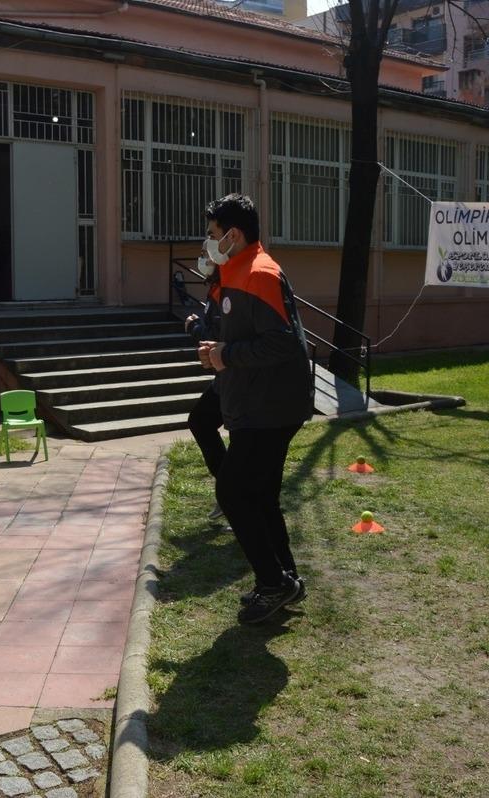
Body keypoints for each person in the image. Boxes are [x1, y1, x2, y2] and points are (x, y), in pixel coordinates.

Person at [199, 194, 314, 625]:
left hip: (270, 405)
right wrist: (219, 349)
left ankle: (274, 582)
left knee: (233, 492)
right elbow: (244, 332)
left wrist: (226, 355)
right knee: (260, 496)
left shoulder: (260, 271)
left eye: (213, 235)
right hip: (257, 401)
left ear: (233, 234)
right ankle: (285, 579)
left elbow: (282, 342)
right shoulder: (238, 269)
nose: (209, 243)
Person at [184, 250, 227, 527]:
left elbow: (219, 336)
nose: (202, 259)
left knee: (201, 421)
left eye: (207, 254)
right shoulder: (215, 289)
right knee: (200, 421)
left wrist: (195, 328)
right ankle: (229, 491)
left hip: (238, 378)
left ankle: (231, 493)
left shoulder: (226, 291)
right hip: (227, 376)